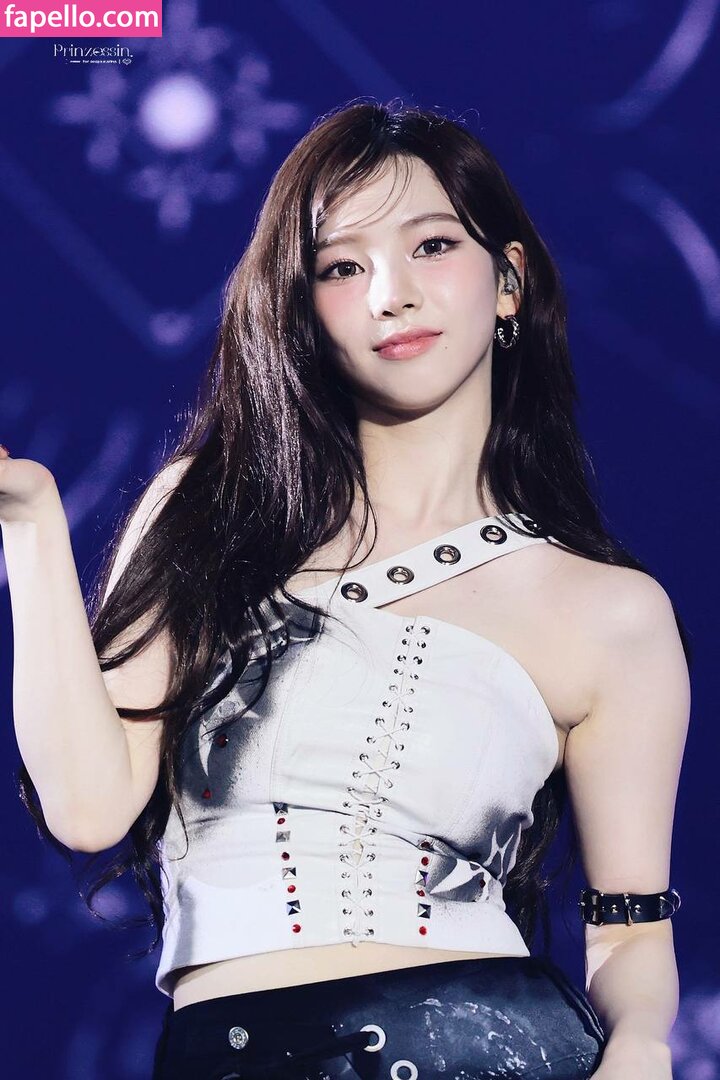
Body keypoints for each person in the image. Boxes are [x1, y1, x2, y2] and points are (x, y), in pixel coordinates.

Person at [3, 101, 689, 1079]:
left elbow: (629, 928)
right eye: (340, 267)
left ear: (508, 281)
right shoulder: (206, 514)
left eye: (432, 246)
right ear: (301, 306)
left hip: (478, 1048)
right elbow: (87, 808)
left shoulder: (611, 612)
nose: (390, 295)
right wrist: (30, 526)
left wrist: (642, 1050)